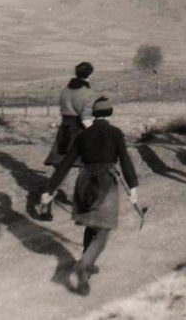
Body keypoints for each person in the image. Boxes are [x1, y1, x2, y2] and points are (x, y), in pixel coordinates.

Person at [39, 96, 139, 296]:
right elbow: (125, 161)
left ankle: (86, 269)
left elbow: (66, 164)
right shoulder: (115, 133)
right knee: (103, 231)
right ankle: (83, 265)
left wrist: (49, 190)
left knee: (91, 225)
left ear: (94, 113)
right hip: (105, 183)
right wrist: (133, 186)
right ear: (109, 113)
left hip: (84, 182)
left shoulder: (83, 136)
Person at [39, 62, 96, 220]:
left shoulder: (65, 91)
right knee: (86, 169)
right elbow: (86, 119)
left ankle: (46, 204)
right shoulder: (89, 94)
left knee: (60, 170)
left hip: (64, 132)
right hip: (79, 132)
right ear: (90, 74)